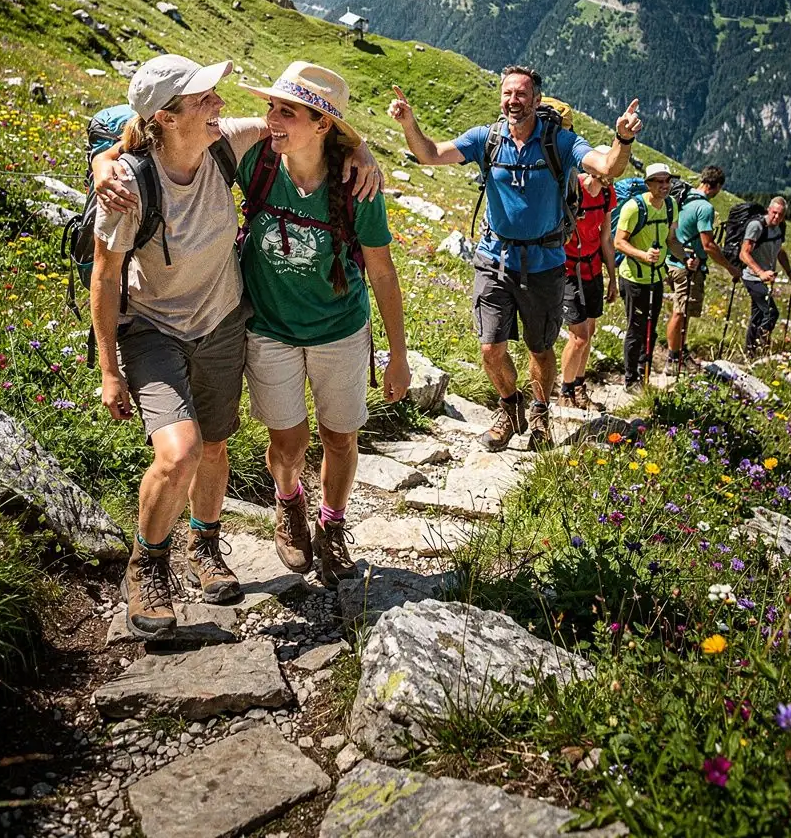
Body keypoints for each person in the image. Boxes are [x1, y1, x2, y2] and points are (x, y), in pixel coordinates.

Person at [92, 53, 380, 637]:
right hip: (153, 329)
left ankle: (204, 544)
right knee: (180, 452)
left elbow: (313, 134)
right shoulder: (129, 184)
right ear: (168, 119)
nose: (220, 105)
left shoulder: (230, 143)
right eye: (203, 99)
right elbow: (104, 274)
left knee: (216, 448)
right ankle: (147, 566)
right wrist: (109, 369)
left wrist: (361, 150)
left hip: (223, 323)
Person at [388, 66, 641, 449]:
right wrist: (410, 122)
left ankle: (539, 412)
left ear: (537, 101)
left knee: (539, 348)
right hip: (494, 258)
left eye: (522, 94)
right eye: (508, 93)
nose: (513, 100)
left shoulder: (560, 141)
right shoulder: (486, 138)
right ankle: (510, 408)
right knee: (490, 347)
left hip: (545, 263)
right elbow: (429, 154)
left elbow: (608, 167)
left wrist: (622, 138)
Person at [238, 62, 410, 588]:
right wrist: (108, 161)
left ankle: (331, 526)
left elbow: (381, 272)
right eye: (270, 107)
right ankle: (288, 500)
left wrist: (397, 355)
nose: (271, 118)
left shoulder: (358, 186)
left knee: (340, 438)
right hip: (270, 329)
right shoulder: (258, 162)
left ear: (322, 126)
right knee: (287, 444)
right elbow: (173, 143)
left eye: (285, 111)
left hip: (341, 332)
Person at [614, 162, 689, 391]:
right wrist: (643, 255)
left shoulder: (671, 206)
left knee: (650, 327)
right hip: (633, 277)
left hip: (656, 277)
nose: (665, 186)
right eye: (659, 181)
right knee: (636, 328)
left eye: (668, 181)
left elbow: (671, 240)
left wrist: (687, 258)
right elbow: (618, 242)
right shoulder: (633, 208)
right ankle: (630, 378)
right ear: (648, 184)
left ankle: (643, 373)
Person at [664, 165, 739, 373]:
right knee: (681, 311)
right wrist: (729, 267)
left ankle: (680, 352)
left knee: (683, 311)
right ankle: (673, 358)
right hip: (687, 266)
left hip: (673, 259)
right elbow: (708, 245)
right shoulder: (704, 208)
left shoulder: (685, 197)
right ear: (716, 187)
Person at [559, 147, 617, 410]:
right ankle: (565, 390)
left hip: (592, 269)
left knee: (589, 332)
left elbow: (606, 237)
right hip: (569, 270)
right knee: (579, 335)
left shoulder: (607, 193)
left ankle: (579, 388)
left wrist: (612, 277)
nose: (611, 174)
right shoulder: (574, 190)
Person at [739, 196, 791, 358]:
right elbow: (744, 254)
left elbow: (780, 251)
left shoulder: (780, 228)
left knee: (758, 314)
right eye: (774, 213)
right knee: (771, 313)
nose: (776, 217)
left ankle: (750, 352)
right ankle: (760, 347)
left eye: (780, 214)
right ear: (768, 210)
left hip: (764, 278)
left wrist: (789, 272)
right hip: (752, 276)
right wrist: (760, 272)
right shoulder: (756, 226)